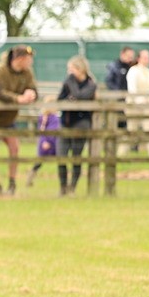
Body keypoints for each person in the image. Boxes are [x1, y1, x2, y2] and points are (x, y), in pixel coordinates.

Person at [0, 45, 38, 195]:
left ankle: (12, 182)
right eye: (28, 59)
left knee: (14, 148)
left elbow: (33, 87)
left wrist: (31, 93)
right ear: (19, 59)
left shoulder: (27, 73)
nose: (30, 62)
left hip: (9, 119)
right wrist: (18, 98)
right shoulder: (0, 70)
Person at [56, 55, 97, 196]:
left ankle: (72, 187)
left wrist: (72, 95)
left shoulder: (91, 84)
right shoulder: (68, 81)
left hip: (82, 122)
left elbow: (80, 96)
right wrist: (69, 98)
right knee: (61, 155)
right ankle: (63, 188)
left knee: (76, 156)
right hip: (66, 122)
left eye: (71, 69)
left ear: (80, 69)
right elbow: (60, 99)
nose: (69, 72)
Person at [27, 98, 61, 187]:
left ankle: (63, 182)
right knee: (40, 161)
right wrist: (47, 141)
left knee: (58, 161)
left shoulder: (52, 117)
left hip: (49, 141)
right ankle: (30, 179)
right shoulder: (47, 117)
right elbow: (50, 130)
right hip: (49, 142)